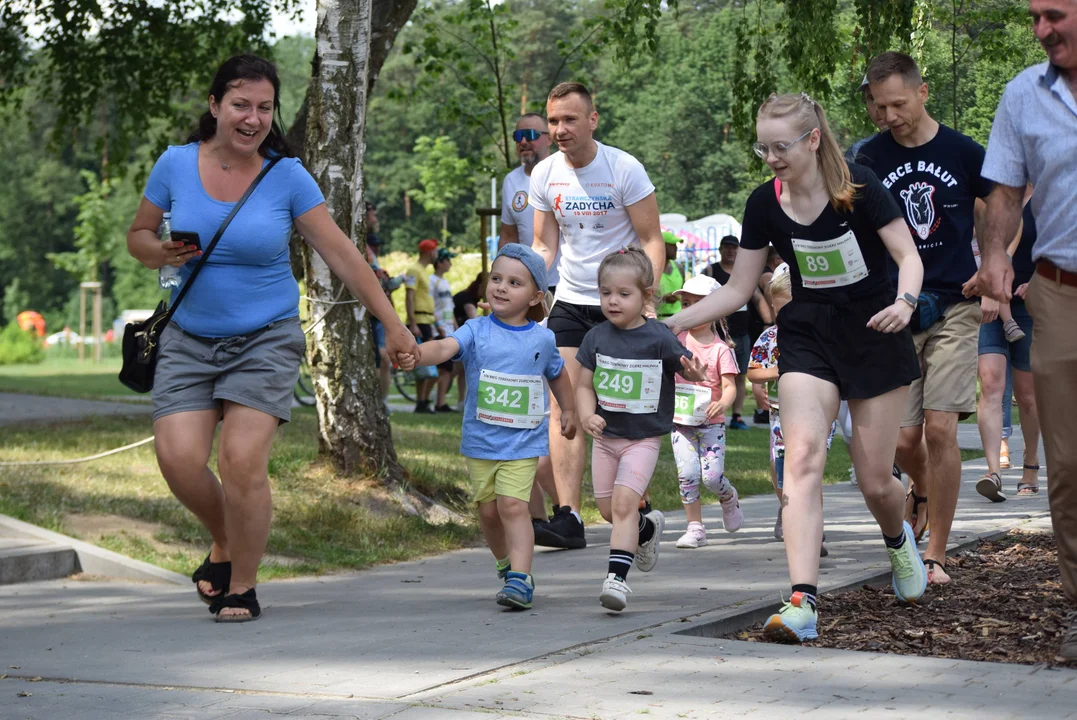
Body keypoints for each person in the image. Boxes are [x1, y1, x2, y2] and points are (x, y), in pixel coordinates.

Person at [125, 55, 417, 622]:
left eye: (263, 107)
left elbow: (342, 255)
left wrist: (394, 324)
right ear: (215, 107)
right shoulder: (175, 164)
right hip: (187, 336)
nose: (253, 118)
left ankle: (243, 583)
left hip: (264, 339)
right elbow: (138, 234)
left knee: (240, 461)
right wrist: (157, 252)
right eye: (240, 105)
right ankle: (227, 538)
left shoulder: (286, 176)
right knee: (179, 460)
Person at [667, 92, 927, 642]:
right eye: (763, 147)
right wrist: (676, 321)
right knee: (803, 458)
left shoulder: (858, 188)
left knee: (874, 478)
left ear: (812, 139)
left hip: (875, 330)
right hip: (807, 334)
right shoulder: (764, 202)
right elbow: (740, 287)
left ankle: (898, 537)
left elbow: (908, 257)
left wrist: (905, 304)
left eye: (780, 146)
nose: (771, 157)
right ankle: (803, 602)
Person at [858, 52, 994, 586]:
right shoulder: (866, 157)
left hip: (956, 302)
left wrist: (993, 263)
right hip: (895, 309)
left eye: (898, 103)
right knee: (902, 441)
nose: (889, 115)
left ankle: (934, 551)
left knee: (940, 428)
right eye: (879, 105)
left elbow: (1001, 208)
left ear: (923, 92)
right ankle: (919, 490)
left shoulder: (963, 151)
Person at [977, 0, 1077, 661]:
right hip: (1059, 293)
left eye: (1054, 15)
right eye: (1033, 18)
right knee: (1068, 467)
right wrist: (994, 252)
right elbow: (1003, 197)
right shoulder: (1023, 93)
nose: (1041, 31)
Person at [399, 244, 577, 610]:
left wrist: (570, 411)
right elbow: (445, 348)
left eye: (514, 282)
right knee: (488, 512)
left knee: (513, 506)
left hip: (523, 442)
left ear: (535, 297)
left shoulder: (542, 338)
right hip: (482, 441)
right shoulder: (475, 330)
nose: (501, 287)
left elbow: (558, 375)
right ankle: (505, 565)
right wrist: (418, 353)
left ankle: (521, 579)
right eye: (496, 278)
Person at [530, 81, 666, 550]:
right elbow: (545, 245)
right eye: (553, 121)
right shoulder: (545, 174)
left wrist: (645, 298)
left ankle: (637, 511)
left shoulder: (623, 168)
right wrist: (523, 282)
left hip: (619, 305)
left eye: (570, 119)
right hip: (569, 302)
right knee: (563, 405)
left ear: (593, 119)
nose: (560, 129)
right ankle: (568, 517)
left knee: (616, 412)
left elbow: (652, 241)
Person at [576, 247, 707, 611]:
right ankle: (646, 530)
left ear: (646, 295)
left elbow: (687, 367)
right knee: (609, 511)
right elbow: (584, 385)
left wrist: (693, 373)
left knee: (622, 505)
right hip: (605, 440)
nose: (612, 301)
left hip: (643, 440)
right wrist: (587, 415)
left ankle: (616, 580)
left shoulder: (659, 337)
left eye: (623, 294)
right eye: (606, 293)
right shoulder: (596, 337)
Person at [746, 264, 833, 558]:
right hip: (779, 414)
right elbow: (754, 373)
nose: (787, 316)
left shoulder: (821, 334)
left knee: (809, 469)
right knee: (780, 471)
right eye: (780, 309)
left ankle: (813, 532)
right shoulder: (770, 337)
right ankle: (787, 508)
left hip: (817, 412)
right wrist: (776, 372)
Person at [971, 188, 1041, 501]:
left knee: (1027, 394)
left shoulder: (1050, 194)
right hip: (988, 299)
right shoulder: (987, 195)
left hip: (1028, 302)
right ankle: (993, 471)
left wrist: (1040, 281)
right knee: (990, 381)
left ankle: (1031, 464)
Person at [667, 274, 741, 549]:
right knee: (687, 474)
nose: (689, 311)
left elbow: (730, 386)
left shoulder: (721, 350)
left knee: (711, 477)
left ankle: (728, 496)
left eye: (697, 305)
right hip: (680, 423)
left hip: (712, 424)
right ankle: (695, 527)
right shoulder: (677, 340)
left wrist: (723, 403)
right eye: (685, 304)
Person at [706, 235, 768, 430]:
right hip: (716, 335)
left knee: (740, 375)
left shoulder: (744, 274)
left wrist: (769, 322)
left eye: (735, 248)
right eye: (727, 247)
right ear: (720, 249)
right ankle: (713, 414)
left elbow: (758, 298)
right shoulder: (711, 271)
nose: (731, 251)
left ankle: (737, 416)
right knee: (712, 376)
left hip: (741, 334)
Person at [499, 113, 560, 291]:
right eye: (518, 136)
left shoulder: (565, 172)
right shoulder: (511, 180)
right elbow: (509, 236)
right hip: (527, 283)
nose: (523, 141)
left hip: (567, 284)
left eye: (531, 135)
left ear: (549, 139)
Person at [365, 203, 403, 408]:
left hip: (379, 314)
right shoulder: (361, 245)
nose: (376, 219)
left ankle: (383, 402)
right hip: (368, 314)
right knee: (378, 358)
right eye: (373, 214)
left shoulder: (371, 252)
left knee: (384, 359)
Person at [404, 238, 440, 413]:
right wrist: (412, 322)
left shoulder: (425, 272)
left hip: (427, 320)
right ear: (428, 252)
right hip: (419, 321)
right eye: (435, 251)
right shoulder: (414, 270)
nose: (437, 255)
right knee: (424, 360)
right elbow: (409, 296)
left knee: (426, 362)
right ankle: (422, 400)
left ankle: (423, 400)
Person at [430, 247, 460, 413]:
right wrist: (438, 325)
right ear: (440, 262)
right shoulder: (431, 280)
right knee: (444, 369)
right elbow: (431, 305)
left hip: (449, 329)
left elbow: (450, 307)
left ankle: (441, 401)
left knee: (449, 369)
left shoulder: (445, 282)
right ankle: (439, 403)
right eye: (448, 260)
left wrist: (455, 327)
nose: (450, 263)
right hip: (440, 330)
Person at [844, 75, 888, 164]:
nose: (877, 107)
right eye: (871, 98)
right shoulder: (857, 153)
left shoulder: (921, 146)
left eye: (885, 94)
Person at [656, 232, 686, 319]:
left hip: (678, 320)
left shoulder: (679, 267)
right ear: (662, 246)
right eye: (672, 245)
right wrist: (662, 299)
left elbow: (684, 294)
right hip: (656, 320)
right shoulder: (650, 269)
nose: (676, 248)